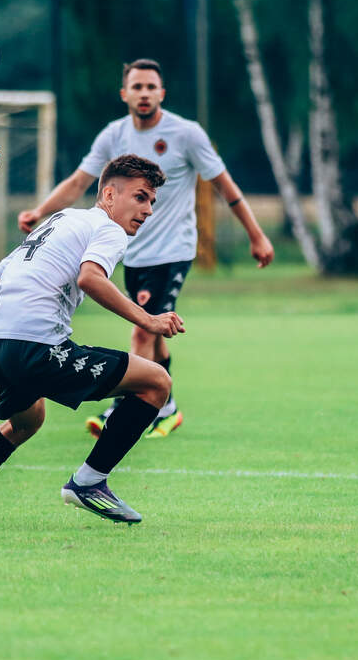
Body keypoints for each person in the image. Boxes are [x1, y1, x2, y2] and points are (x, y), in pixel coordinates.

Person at [0, 154, 179, 526]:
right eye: (140, 197)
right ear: (110, 195)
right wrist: (148, 319)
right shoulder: (108, 229)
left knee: (27, 420)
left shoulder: (60, 221)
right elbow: (90, 278)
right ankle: (89, 482)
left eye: (152, 201)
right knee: (157, 382)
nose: (147, 210)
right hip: (37, 346)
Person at [17, 58, 272, 439]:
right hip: (134, 253)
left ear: (162, 93)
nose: (144, 93)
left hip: (174, 251)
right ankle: (167, 407)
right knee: (153, 332)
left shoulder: (186, 134)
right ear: (125, 94)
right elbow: (78, 182)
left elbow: (225, 186)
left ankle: (121, 409)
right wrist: (41, 211)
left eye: (151, 87)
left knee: (142, 329)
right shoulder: (113, 136)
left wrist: (256, 234)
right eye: (137, 87)